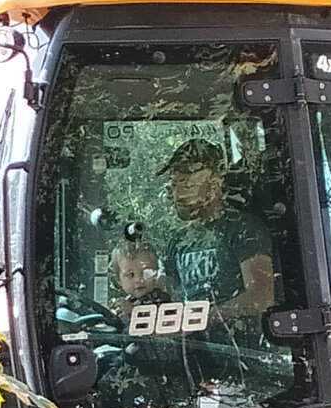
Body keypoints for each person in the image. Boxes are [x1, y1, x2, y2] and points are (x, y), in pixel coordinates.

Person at [159, 138, 275, 326]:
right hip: (189, 343)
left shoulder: (244, 229)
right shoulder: (177, 241)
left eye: (187, 185)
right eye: (173, 185)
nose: (177, 195)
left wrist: (200, 319)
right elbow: (165, 296)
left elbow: (261, 296)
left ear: (215, 185)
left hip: (237, 342)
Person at [109, 238, 167, 317]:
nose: (139, 280)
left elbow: (159, 317)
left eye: (146, 273)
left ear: (155, 273)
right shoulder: (129, 300)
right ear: (119, 280)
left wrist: (133, 310)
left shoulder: (160, 298)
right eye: (131, 275)